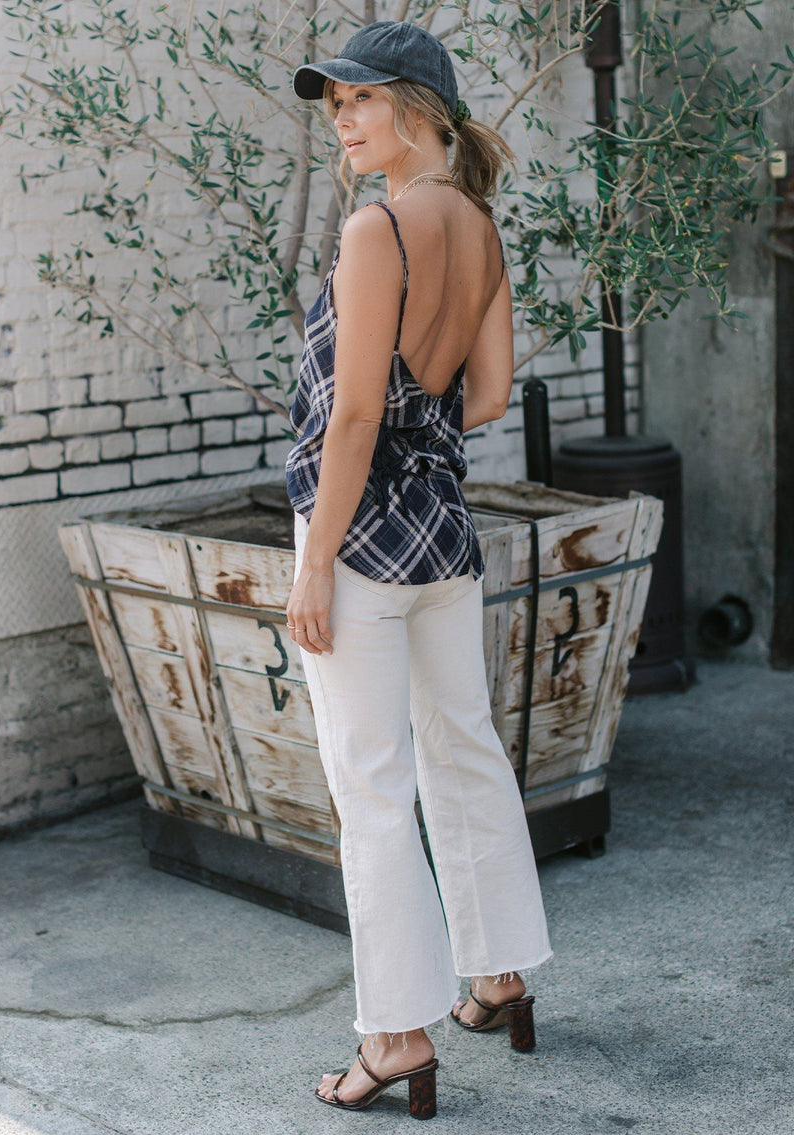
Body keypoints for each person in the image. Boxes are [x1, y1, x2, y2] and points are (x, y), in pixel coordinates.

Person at [286, 20, 553, 1118]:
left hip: (359, 541)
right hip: (441, 533)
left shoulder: (374, 229)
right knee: (463, 748)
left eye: (358, 101)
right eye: (333, 106)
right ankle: (495, 976)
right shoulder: (477, 227)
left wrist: (312, 564)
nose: (341, 122)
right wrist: (419, 406)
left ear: (417, 108)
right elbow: (482, 398)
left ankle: (393, 1035)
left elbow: (351, 415)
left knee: (371, 785)